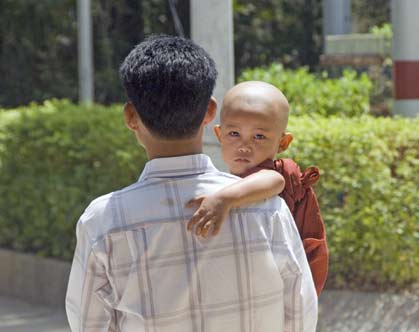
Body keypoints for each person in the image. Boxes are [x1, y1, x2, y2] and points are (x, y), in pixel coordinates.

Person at [65, 35, 318, 332]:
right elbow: (300, 315)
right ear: (210, 113)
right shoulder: (268, 209)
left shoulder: (104, 221)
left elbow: (89, 324)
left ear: (131, 117)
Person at [186, 81, 329, 295]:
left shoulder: (275, 174)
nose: (244, 146)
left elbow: (273, 181)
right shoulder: (231, 179)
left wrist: (223, 199)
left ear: (283, 143)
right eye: (234, 134)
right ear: (219, 135)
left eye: (259, 136)